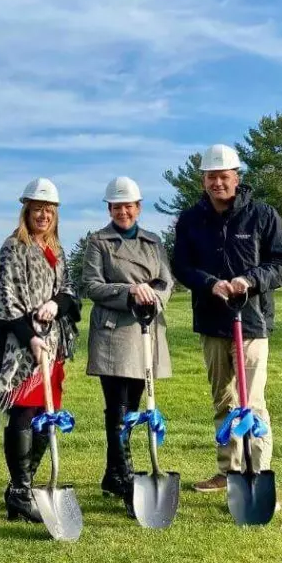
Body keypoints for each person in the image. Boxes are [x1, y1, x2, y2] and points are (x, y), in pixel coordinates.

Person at [172, 144, 282, 493]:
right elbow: (181, 266)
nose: (217, 183)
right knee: (223, 400)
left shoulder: (262, 215)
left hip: (252, 322)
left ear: (236, 177)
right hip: (213, 323)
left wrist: (250, 280)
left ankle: (257, 473)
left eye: (223, 176)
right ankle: (228, 470)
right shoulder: (191, 219)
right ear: (204, 180)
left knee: (251, 402)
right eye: (211, 176)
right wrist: (209, 284)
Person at [0, 178, 80, 523]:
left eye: (49, 210)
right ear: (27, 211)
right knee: (23, 412)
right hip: (23, 348)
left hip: (53, 347)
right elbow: (4, 302)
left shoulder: (56, 249)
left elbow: (69, 290)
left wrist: (55, 303)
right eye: (38, 209)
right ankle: (20, 490)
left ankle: (21, 489)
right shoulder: (13, 248)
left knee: (46, 414)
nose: (43, 215)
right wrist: (30, 337)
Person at [81, 177, 173, 517]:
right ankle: (124, 475)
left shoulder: (153, 242)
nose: (123, 211)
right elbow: (91, 285)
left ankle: (111, 473)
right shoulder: (99, 242)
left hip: (145, 328)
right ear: (110, 209)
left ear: (138, 207)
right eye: (117, 206)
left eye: (129, 206)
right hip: (114, 333)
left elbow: (166, 282)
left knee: (135, 404)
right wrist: (130, 291)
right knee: (118, 408)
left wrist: (154, 298)